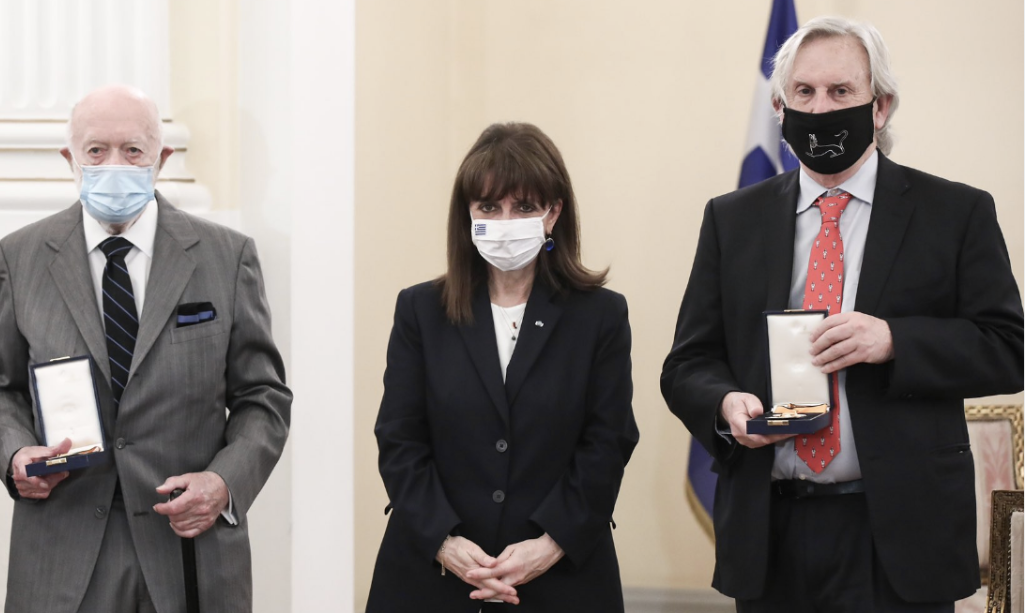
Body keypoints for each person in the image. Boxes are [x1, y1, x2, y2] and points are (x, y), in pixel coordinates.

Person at [661, 16, 1024, 612]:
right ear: (779, 107)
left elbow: (1007, 348)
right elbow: (689, 363)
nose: (821, 108)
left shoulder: (954, 213)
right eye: (803, 92)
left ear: (880, 107)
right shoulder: (733, 220)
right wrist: (726, 405)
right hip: (772, 532)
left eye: (841, 92)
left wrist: (894, 341)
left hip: (900, 538)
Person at [0, 84, 291, 613]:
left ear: (161, 159)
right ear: (69, 159)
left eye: (134, 150)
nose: (113, 163)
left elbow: (264, 397)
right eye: (96, 150)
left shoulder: (226, 257)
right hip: (63, 539)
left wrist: (223, 483)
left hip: (189, 539)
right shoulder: (21, 256)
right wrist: (14, 454)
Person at [366, 122, 639, 612]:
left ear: (553, 213)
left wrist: (549, 545)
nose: (506, 220)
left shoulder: (600, 316)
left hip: (560, 576)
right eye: (489, 207)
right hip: (435, 573)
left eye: (525, 206)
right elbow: (400, 439)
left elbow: (608, 442)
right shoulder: (420, 311)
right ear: (468, 214)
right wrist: (447, 544)